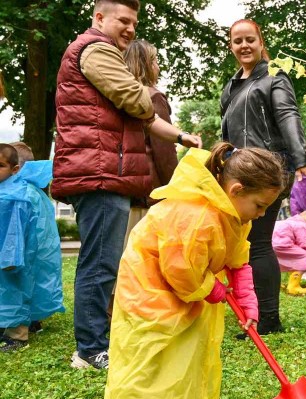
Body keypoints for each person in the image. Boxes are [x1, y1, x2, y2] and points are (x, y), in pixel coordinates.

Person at [103, 143, 284, 399]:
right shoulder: (196, 214)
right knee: (149, 360)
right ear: (236, 189)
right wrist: (214, 289)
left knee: (188, 352)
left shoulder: (235, 215)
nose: (261, 214)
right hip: (150, 291)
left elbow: (238, 259)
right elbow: (181, 271)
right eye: (259, 205)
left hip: (187, 289)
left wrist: (247, 300)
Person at [53, 0, 202, 370]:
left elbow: (142, 115)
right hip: (101, 173)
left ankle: (95, 342)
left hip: (105, 172)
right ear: (99, 17)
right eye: (123, 20)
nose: (130, 29)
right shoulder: (95, 49)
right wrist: (142, 89)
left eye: (134, 23)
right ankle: (90, 349)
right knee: (100, 264)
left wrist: (181, 137)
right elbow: (137, 100)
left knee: (103, 262)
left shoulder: (101, 52)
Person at [221, 18, 306, 336]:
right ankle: (254, 311)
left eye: (249, 39)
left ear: (261, 42)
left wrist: (301, 159)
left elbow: (287, 115)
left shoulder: (274, 77)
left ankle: (268, 318)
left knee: (258, 243)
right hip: (240, 171)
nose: (244, 45)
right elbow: (227, 134)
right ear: (231, 46)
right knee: (244, 244)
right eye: (237, 41)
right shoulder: (230, 86)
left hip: (268, 170)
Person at [0, 144, 64, 351]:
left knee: (14, 288)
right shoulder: (32, 190)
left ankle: (17, 336)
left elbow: (12, 232)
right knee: (32, 283)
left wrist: (9, 258)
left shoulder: (14, 194)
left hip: (15, 255)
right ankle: (32, 321)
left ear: (16, 168)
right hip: (35, 252)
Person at [122, 39, 179, 234]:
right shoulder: (153, 97)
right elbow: (164, 152)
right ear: (145, 65)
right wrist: (176, 188)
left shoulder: (120, 97)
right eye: (155, 61)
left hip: (125, 189)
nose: (158, 66)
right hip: (151, 193)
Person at [274, 211, 306, 295]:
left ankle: (274, 284)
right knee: (304, 260)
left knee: (272, 264)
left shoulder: (288, 222)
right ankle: (293, 287)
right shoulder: (302, 226)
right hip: (283, 245)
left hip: (269, 245)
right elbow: (305, 245)